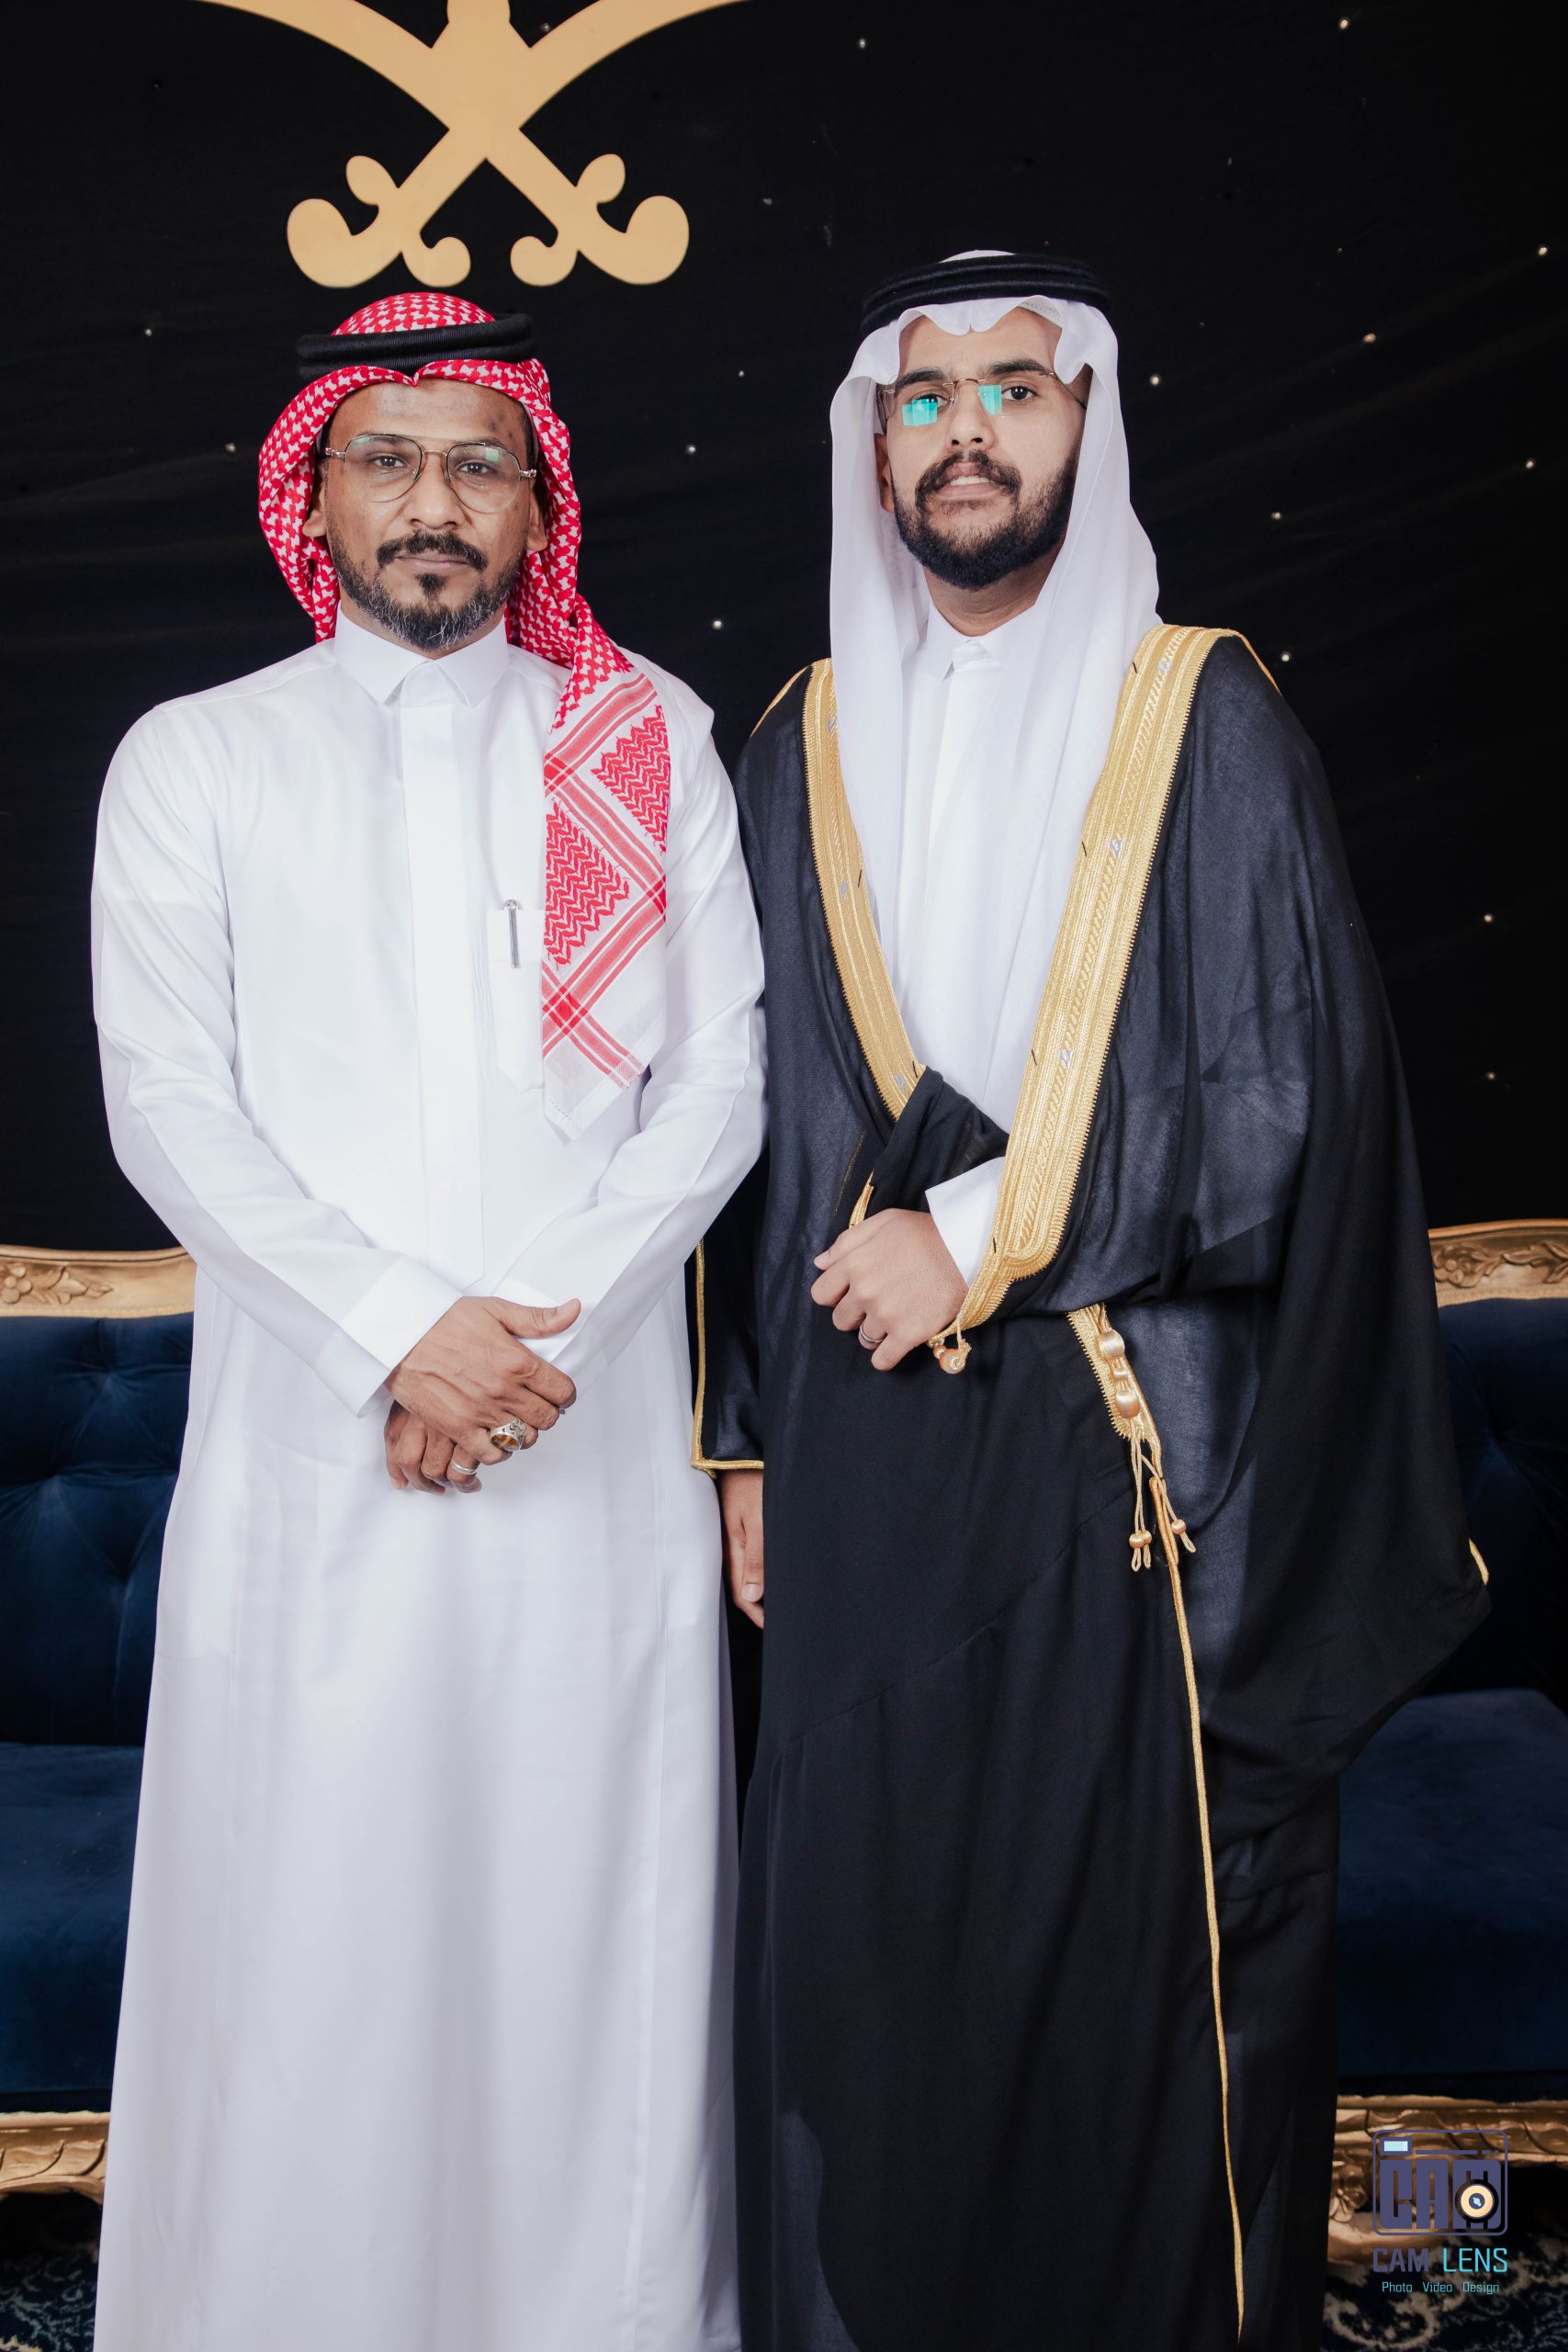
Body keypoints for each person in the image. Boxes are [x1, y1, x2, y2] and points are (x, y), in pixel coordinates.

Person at [694, 250, 1492, 2352]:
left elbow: (1278, 1094)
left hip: (1142, 1473)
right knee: (877, 1979)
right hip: (867, 1465)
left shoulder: (1197, 711)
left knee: (1145, 1995)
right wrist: (745, 1439)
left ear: (1084, 423)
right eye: (923, 394)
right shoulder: (794, 743)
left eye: (1013, 388)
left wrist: (980, 1230)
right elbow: (754, 1128)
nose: (965, 429)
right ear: (875, 443)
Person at [90, 291, 763, 2352]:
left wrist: (518, 1353)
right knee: (311, 1937)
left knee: (583, 1937)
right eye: (385, 459)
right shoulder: (197, 757)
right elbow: (167, 1108)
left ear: (536, 504)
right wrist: (403, 1333)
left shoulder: (645, 737)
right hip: (315, 1458)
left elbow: (722, 1086)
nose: (433, 501)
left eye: (480, 462)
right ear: (313, 500)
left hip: (585, 1446)